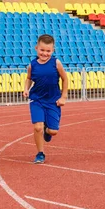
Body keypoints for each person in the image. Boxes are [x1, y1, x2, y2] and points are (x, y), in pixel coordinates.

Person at [23, 34, 68, 164]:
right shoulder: (32, 65)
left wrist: (63, 96)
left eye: (48, 51)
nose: (45, 53)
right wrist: (26, 89)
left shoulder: (56, 63)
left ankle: (47, 130)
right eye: (42, 50)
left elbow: (65, 79)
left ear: (52, 50)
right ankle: (40, 153)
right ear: (36, 48)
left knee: (53, 131)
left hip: (53, 100)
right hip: (36, 99)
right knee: (38, 127)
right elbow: (29, 78)